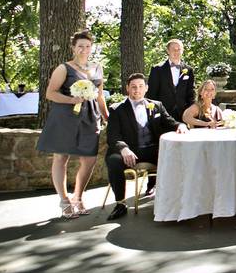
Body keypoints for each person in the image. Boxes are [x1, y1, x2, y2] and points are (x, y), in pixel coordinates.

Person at [36, 30, 107, 218]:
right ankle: (64, 200)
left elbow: (100, 96)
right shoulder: (63, 68)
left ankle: (78, 196)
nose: (84, 49)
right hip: (65, 118)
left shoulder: (98, 68)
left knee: (90, 160)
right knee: (61, 158)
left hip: (90, 118)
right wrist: (71, 100)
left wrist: (107, 116)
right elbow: (50, 93)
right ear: (73, 48)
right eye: (80, 46)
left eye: (88, 46)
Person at [104, 73, 187, 220]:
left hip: (152, 149)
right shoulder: (117, 109)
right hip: (130, 150)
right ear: (127, 88)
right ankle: (120, 203)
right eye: (134, 87)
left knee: (175, 154)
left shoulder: (156, 105)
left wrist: (181, 125)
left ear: (146, 88)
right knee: (113, 160)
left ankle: (175, 198)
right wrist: (124, 148)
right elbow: (112, 136)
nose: (137, 90)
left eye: (140, 86)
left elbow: (171, 122)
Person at [146, 39, 196, 122]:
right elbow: (152, 94)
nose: (176, 52)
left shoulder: (189, 70)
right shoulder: (157, 69)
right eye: (173, 49)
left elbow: (191, 93)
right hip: (163, 114)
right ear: (168, 51)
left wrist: (190, 111)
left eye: (178, 49)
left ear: (182, 51)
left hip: (183, 114)